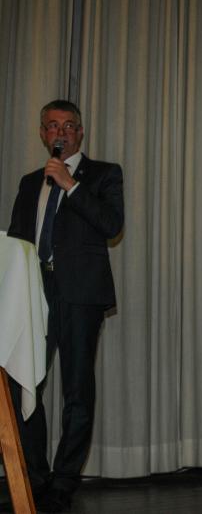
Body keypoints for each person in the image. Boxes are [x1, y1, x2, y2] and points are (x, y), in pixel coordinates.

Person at [7, 99, 124, 512]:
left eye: (69, 125)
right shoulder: (29, 182)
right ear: (43, 134)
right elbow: (18, 240)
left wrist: (70, 185)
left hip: (80, 293)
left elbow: (112, 225)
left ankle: (64, 480)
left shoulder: (104, 174)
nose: (61, 132)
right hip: (33, 292)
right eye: (53, 126)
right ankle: (35, 476)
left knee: (77, 389)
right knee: (24, 384)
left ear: (80, 132)